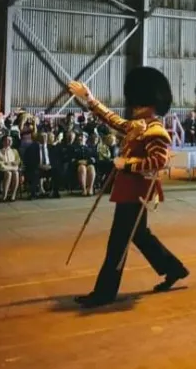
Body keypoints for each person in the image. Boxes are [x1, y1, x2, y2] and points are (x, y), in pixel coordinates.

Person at [67, 68, 189, 308]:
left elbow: (158, 162)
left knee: (117, 243)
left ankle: (104, 293)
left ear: (149, 103)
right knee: (140, 236)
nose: (133, 107)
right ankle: (174, 269)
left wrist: (128, 164)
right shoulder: (139, 126)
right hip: (128, 191)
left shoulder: (156, 131)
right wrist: (89, 99)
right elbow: (113, 119)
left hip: (137, 193)